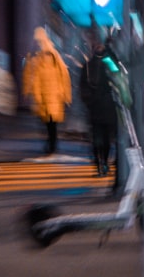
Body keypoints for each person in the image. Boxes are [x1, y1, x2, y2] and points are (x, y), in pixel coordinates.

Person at [22, 27, 72, 156]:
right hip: (48, 98)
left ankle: (52, 145)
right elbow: (36, 79)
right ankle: (51, 144)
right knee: (49, 124)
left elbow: (63, 76)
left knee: (51, 124)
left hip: (52, 98)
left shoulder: (49, 58)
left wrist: (65, 94)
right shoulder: (42, 59)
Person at [80, 27, 120, 177]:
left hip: (102, 108)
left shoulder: (99, 63)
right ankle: (101, 165)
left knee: (103, 139)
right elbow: (84, 86)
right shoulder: (92, 64)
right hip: (102, 108)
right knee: (101, 139)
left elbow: (116, 73)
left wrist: (89, 102)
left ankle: (102, 164)